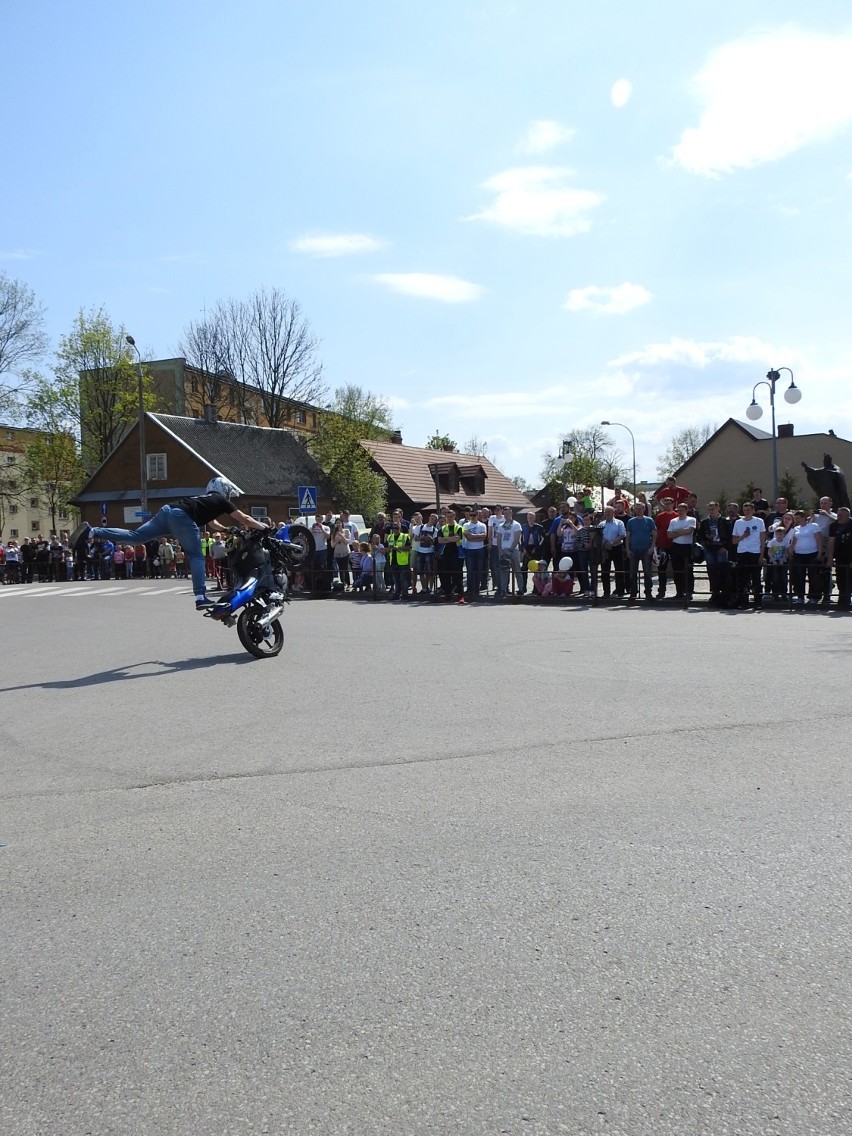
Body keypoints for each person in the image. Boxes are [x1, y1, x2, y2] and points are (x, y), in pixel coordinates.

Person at [69, 477, 268, 610]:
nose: (229, 497)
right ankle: (201, 597)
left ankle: (92, 531)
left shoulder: (206, 500)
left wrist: (225, 530)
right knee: (196, 555)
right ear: (223, 489)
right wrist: (263, 527)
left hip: (167, 512)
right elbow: (245, 519)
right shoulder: (220, 500)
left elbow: (213, 524)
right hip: (182, 517)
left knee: (136, 536)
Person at [732, 501, 766, 608]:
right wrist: (743, 536)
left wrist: (761, 555)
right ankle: (744, 602)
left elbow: (762, 539)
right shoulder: (738, 522)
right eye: (745, 510)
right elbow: (734, 541)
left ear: (753, 510)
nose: (746, 512)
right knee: (743, 579)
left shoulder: (759, 521)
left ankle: (758, 602)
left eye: (749, 510)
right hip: (742, 552)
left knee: (756, 578)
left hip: (755, 552)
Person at [625, 501, 655, 601]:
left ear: (644, 509)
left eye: (640, 508)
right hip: (633, 549)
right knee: (632, 572)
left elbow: (654, 534)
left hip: (646, 549)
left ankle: (648, 592)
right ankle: (633, 592)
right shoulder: (631, 521)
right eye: (637, 509)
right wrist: (627, 549)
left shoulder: (649, 520)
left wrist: (652, 547)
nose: (638, 510)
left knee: (647, 572)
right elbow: (628, 536)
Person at [667, 502, 697, 602]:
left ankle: (689, 592)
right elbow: (669, 535)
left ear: (686, 510)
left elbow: (689, 532)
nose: (679, 512)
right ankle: (679, 591)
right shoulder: (673, 521)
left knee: (688, 570)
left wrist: (676, 532)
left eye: (682, 510)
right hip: (676, 547)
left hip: (687, 547)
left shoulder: (691, 520)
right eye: (678, 510)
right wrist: (681, 531)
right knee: (677, 570)